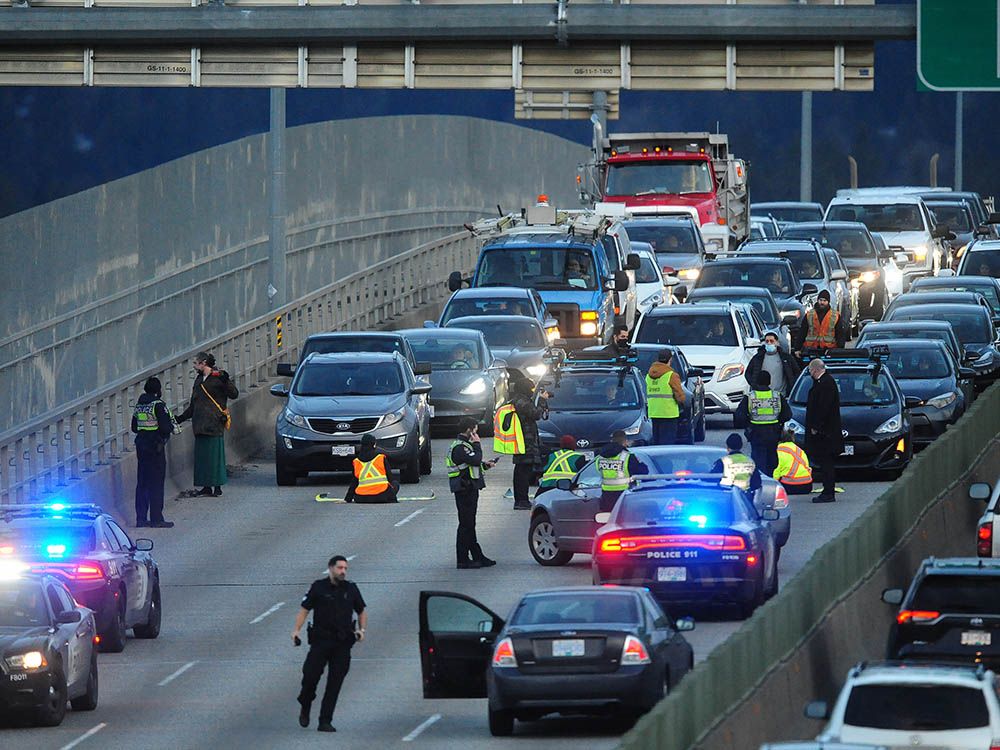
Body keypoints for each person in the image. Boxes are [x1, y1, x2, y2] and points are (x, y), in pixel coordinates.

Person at [292, 555, 367, 733]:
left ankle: (325, 720)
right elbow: (304, 610)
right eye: (340, 568)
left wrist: (361, 630)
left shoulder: (351, 589)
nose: (343, 572)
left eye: (345, 569)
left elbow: (362, 610)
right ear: (331, 568)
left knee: (335, 683)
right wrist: (296, 630)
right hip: (321, 641)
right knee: (310, 676)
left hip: (342, 642)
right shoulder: (318, 587)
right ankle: (305, 702)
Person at [175, 352, 239, 497]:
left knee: (215, 457)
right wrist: (180, 418)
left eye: (196, 363)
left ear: (203, 363)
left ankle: (217, 485)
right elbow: (193, 405)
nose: (194, 366)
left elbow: (234, 394)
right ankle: (206, 486)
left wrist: (226, 381)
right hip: (200, 425)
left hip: (214, 423)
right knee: (203, 459)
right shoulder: (198, 381)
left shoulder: (219, 378)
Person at [494, 370, 549, 510]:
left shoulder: (520, 400)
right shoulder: (521, 401)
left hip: (525, 441)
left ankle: (522, 500)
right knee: (522, 473)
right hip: (524, 442)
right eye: (530, 388)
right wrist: (542, 401)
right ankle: (521, 500)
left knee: (523, 471)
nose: (532, 391)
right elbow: (535, 414)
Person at [448, 418, 498, 568]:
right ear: (470, 430)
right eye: (475, 429)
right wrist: (477, 445)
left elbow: (471, 465)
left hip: (468, 487)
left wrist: (486, 466)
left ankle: (477, 556)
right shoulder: (460, 447)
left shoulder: (464, 446)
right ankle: (462, 559)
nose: (477, 433)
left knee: (469, 524)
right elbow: (475, 460)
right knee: (466, 524)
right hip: (464, 489)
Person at [130, 376, 175, 528]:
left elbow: (134, 427)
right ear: (158, 390)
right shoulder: (158, 405)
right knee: (156, 483)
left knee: (142, 483)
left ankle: (141, 519)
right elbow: (166, 427)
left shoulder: (140, 405)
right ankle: (157, 519)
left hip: (141, 447)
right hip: (155, 447)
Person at [736, 371, 791, 477]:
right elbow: (787, 415)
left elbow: (739, 416)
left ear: (757, 381)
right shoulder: (777, 396)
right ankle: (770, 481)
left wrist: (748, 424)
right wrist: (778, 422)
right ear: (769, 382)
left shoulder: (750, 397)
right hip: (773, 432)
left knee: (758, 460)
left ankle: (761, 483)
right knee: (772, 462)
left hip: (756, 432)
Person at [804, 358, 843, 503]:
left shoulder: (826, 384)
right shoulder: (823, 383)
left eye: (810, 371)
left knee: (827, 463)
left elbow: (823, 408)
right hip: (826, 432)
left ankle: (828, 492)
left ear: (815, 370)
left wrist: (816, 426)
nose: (810, 374)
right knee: (825, 462)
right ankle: (827, 491)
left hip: (826, 433)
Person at [596, 429, 648, 512]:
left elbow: (598, 470)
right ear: (625, 441)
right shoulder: (628, 456)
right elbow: (644, 471)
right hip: (625, 495)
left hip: (606, 496)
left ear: (611, 440)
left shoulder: (600, 457)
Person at [645, 349, 685, 445]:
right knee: (667, 443)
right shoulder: (671, 375)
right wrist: (682, 404)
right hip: (669, 414)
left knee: (657, 442)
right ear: (670, 359)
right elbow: (680, 396)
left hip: (654, 413)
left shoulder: (648, 376)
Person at [343, 434, 398, 504]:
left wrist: (347, 499)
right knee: (396, 483)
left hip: (361, 498)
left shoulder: (356, 461)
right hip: (382, 496)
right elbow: (390, 479)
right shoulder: (381, 458)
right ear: (374, 445)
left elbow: (354, 483)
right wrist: (392, 497)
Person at [793, 290, 848, 359]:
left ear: (828, 302)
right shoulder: (809, 315)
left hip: (829, 351)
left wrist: (840, 350)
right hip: (811, 350)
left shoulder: (835, 316)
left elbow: (840, 334)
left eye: (824, 300)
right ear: (817, 300)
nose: (822, 302)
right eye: (820, 300)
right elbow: (802, 332)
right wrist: (797, 349)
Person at [746, 331, 801, 396]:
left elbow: (797, 372)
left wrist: (791, 385)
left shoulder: (786, 358)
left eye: (771, 341)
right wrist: (755, 385)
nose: (769, 343)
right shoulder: (758, 358)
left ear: (777, 342)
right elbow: (748, 373)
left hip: (781, 394)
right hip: (762, 395)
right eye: (767, 341)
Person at [773, 427, 813, 495]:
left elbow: (776, 471)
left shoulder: (779, 451)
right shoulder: (799, 450)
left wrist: (773, 485)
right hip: (807, 486)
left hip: (790, 486)